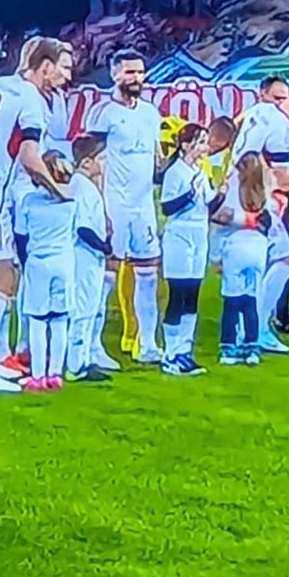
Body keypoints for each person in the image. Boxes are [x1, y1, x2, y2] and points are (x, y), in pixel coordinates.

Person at [0, 37, 70, 394]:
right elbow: (31, 159)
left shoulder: (3, 85)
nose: (66, 77)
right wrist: (58, 191)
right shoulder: (33, 102)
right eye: (62, 68)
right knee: (6, 277)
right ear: (46, 66)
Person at [84, 50, 166, 364]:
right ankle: (93, 345)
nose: (136, 79)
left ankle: (148, 344)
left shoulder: (150, 113)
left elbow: (155, 157)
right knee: (106, 274)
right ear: (115, 74)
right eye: (130, 73)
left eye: (140, 72)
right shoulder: (102, 113)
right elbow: (90, 161)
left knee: (148, 273)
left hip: (143, 206)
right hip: (113, 204)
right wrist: (99, 208)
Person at [230, 78, 289, 354]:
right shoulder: (281, 126)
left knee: (256, 264)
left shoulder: (259, 111)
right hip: (256, 200)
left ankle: (244, 328)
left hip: (237, 190)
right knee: (282, 258)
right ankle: (257, 329)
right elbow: (284, 180)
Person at [16, 150, 80, 392]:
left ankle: (37, 375)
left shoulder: (29, 201)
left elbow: (21, 236)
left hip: (37, 263)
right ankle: (55, 373)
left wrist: (25, 263)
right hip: (64, 262)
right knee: (60, 319)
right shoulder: (72, 201)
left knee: (38, 320)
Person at [156, 123, 214, 377]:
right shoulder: (176, 172)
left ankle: (184, 350)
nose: (205, 147)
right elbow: (168, 207)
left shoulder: (200, 171)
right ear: (186, 144)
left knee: (192, 293)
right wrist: (189, 194)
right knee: (178, 294)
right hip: (179, 234)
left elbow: (210, 203)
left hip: (199, 232)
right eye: (201, 142)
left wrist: (221, 192)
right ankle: (170, 353)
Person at [212, 153, 274, 366]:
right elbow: (268, 222)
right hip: (258, 251)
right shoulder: (264, 191)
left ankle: (228, 348)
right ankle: (252, 348)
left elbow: (222, 221)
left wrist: (215, 256)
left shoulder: (232, 190)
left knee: (232, 301)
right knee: (251, 300)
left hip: (236, 249)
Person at [66, 134, 115, 381]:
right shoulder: (82, 187)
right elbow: (82, 228)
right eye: (102, 158)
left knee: (90, 306)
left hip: (89, 257)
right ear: (87, 162)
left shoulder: (86, 186)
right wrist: (105, 247)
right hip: (83, 257)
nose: (104, 164)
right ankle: (75, 365)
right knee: (82, 309)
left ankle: (84, 358)